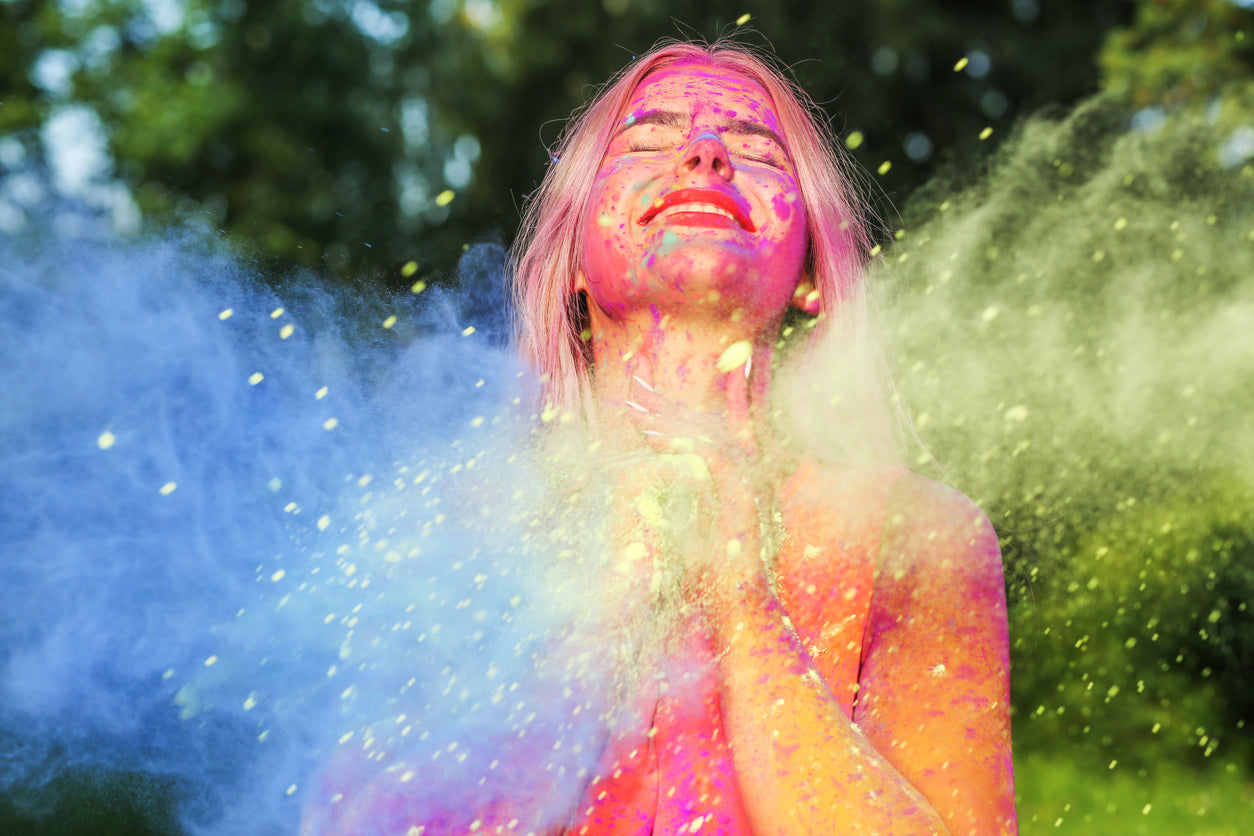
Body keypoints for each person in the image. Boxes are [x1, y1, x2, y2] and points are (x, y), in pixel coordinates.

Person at [304, 39, 1016, 836]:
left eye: (758, 151)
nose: (706, 154)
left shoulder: (912, 537)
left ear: (812, 275)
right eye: (648, 140)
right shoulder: (456, 527)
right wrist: (607, 622)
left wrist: (743, 598)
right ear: (573, 262)